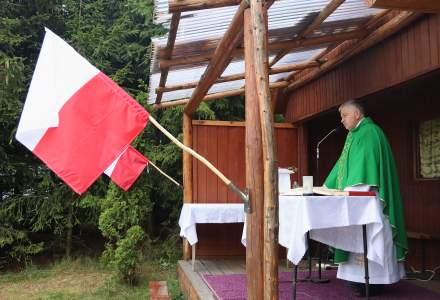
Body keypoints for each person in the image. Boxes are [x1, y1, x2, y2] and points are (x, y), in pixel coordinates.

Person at [324, 100, 408, 296]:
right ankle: (360, 282)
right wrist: (326, 186)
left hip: (368, 200)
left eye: (344, 116)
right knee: (358, 239)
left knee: (371, 237)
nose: (342, 120)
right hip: (359, 200)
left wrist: (353, 188)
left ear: (357, 114)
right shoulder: (355, 135)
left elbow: (364, 167)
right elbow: (342, 167)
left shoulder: (369, 133)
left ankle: (374, 282)